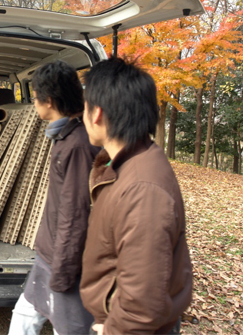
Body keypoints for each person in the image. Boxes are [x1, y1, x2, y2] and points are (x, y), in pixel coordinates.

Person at [80, 58, 192, 334]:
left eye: (85, 107)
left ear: (97, 113)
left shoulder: (143, 189)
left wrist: (113, 330)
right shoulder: (126, 163)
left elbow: (142, 303)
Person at [8, 61, 100, 335]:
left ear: (48, 101)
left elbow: (74, 214)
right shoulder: (65, 135)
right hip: (49, 253)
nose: (33, 103)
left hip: (62, 260)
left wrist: (63, 272)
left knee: (68, 328)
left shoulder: (77, 145)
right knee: (24, 315)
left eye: (34, 96)